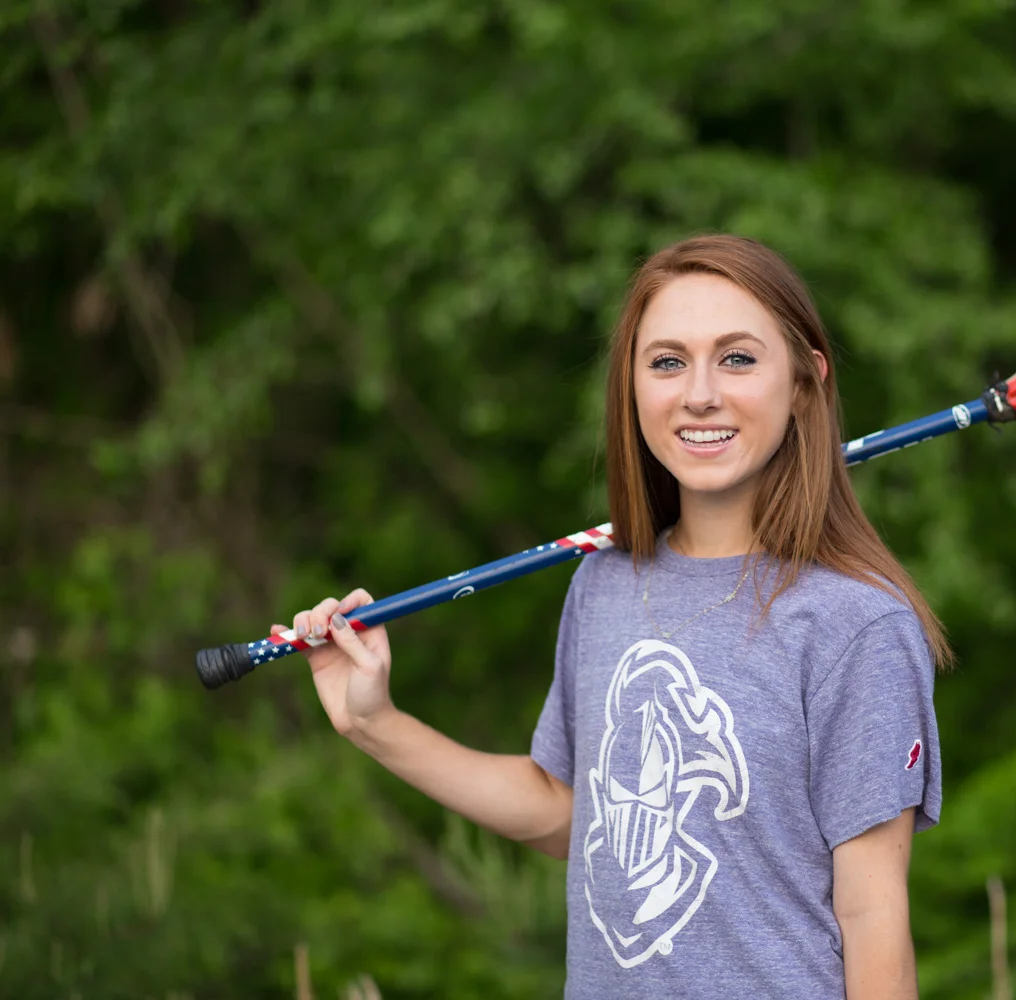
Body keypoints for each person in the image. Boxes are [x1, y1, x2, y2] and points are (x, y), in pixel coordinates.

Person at [279, 235, 951, 999]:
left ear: (805, 381)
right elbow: (571, 816)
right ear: (632, 388)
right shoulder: (604, 585)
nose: (699, 393)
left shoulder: (855, 625)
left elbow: (873, 916)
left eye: (737, 358)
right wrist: (374, 723)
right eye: (667, 362)